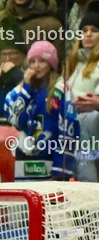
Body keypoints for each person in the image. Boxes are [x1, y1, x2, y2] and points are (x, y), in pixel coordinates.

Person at [5, 40, 78, 179]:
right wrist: (26, 90)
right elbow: (14, 120)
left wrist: (61, 169)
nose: (36, 66)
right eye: (32, 61)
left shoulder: (61, 89)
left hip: (50, 166)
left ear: (51, 64)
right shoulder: (23, 88)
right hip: (24, 164)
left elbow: (69, 130)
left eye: (42, 61)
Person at [66, 8, 99, 180]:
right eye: (84, 31)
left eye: (94, 30)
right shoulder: (74, 63)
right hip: (72, 131)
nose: (88, 35)